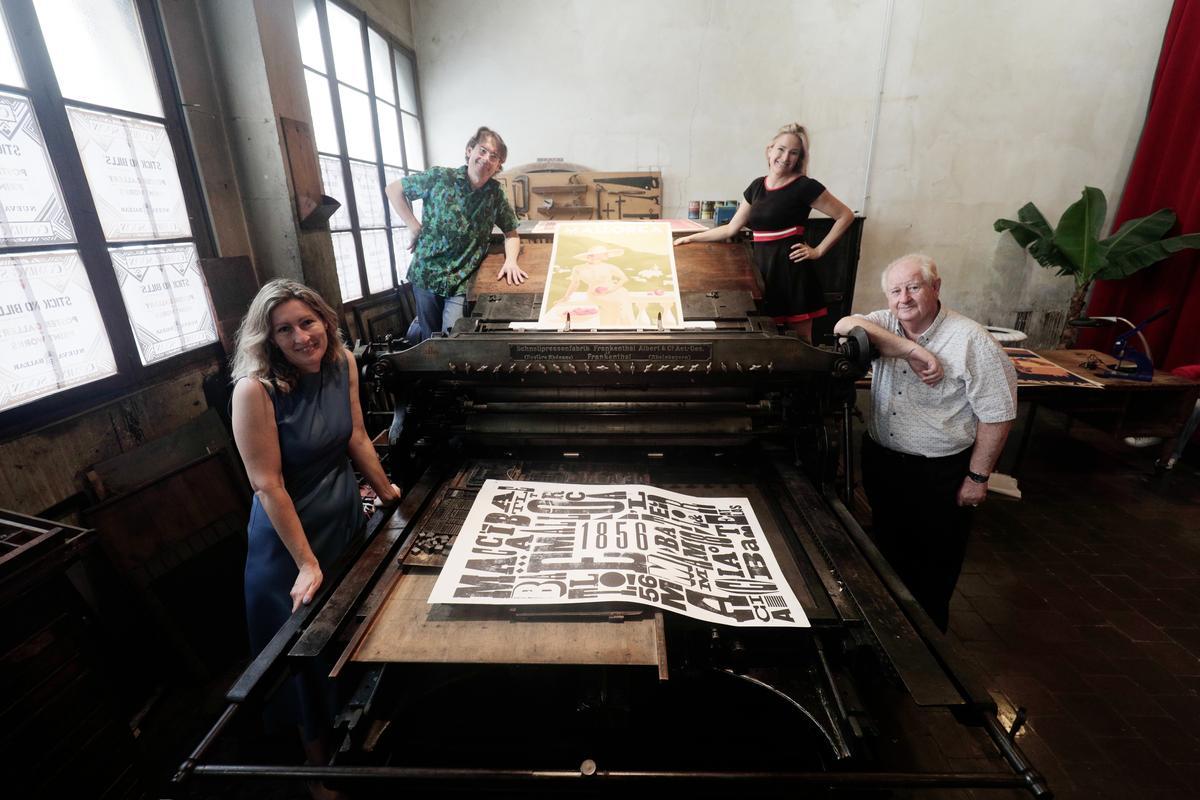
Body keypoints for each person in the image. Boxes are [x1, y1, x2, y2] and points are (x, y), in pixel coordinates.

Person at [229, 279, 401, 797]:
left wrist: (388, 493)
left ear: (326, 320)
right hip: (289, 544)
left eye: (308, 322)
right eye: (285, 330)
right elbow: (268, 484)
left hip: (343, 520)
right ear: (269, 339)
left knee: (345, 637)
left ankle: (353, 735)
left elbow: (355, 436)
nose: (302, 337)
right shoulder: (255, 391)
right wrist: (306, 562)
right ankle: (318, 772)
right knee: (304, 656)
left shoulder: (342, 363)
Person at [833, 254, 1018, 632]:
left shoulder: (972, 341)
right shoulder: (886, 324)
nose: (904, 299)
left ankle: (929, 641)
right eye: (895, 291)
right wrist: (911, 350)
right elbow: (844, 324)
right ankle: (892, 631)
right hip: (885, 462)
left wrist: (978, 478)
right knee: (887, 551)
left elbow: (998, 414)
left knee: (934, 564)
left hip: (940, 472)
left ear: (936, 287)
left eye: (913, 288)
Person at [674, 122, 854, 342]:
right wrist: (691, 238)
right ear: (770, 150)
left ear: (799, 158)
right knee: (767, 338)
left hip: (792, 272)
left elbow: (845, 215)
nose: (785, 157)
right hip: (761, 272)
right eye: (781, 149)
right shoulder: (757, 186)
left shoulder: (805, 186)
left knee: (801, 340)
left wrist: (818, 251)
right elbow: (731, 228)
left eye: (793, 153)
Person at [385, 125, 526, 342]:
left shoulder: (494, 194)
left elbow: (512, 233)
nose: (486, 159)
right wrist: (413, 225)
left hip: (461, 280)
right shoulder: (440, 177)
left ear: (498, 165)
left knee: (455, 338)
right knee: (430, 342)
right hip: (427, 273)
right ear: (470, 150)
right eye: (482, 150)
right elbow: (394, 190)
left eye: (494, 156)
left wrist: (511, 261)